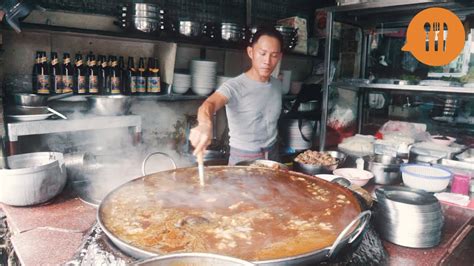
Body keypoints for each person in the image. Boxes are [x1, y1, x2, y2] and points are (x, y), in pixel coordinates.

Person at [189, 26, 284, 165]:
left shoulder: (276, 85)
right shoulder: (234, 86)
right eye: (262, 53)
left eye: (274, 55)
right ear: (251, 52)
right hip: (244, 158)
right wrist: (204, 124)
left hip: (273, 155)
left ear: (279, 57)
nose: (267, 61)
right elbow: (209, 104)